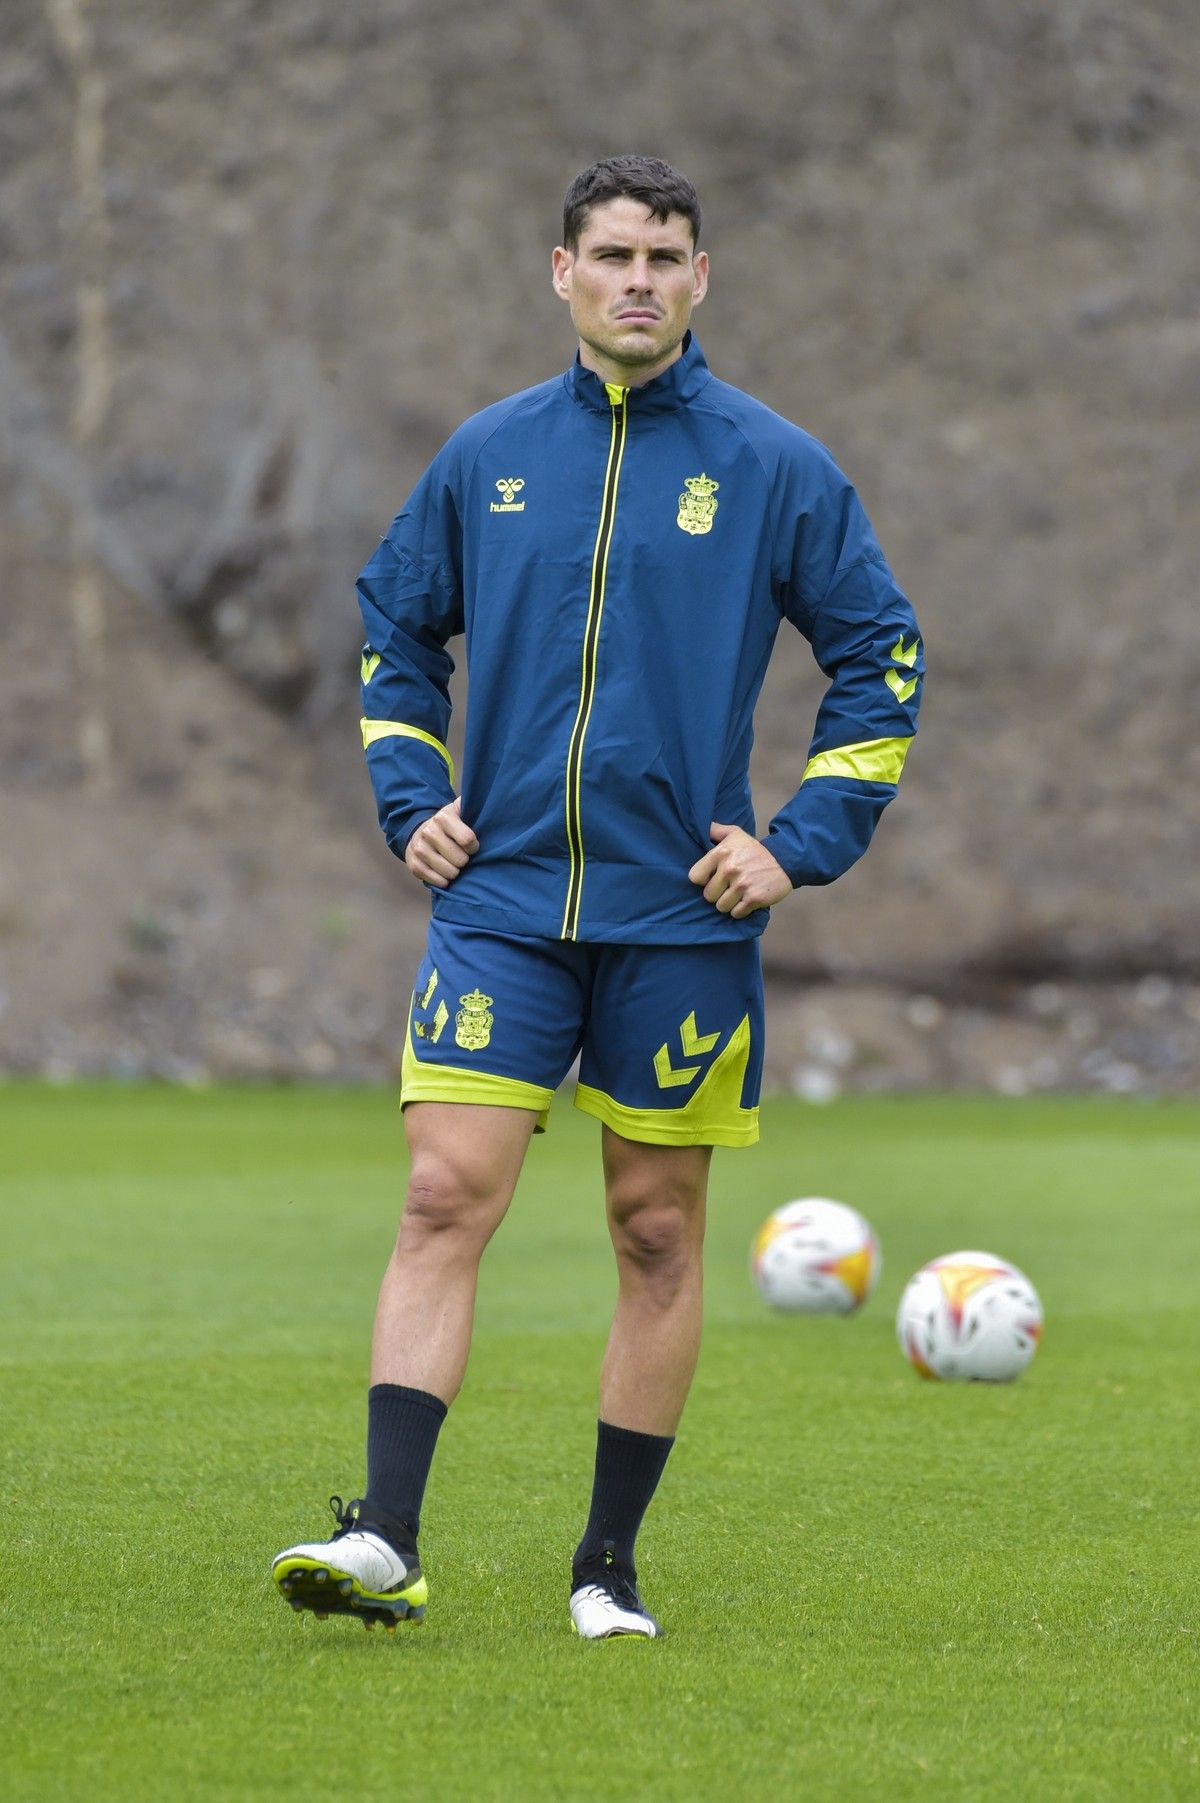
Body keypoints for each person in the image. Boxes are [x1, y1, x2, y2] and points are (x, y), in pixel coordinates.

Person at [271, 156, 923, 1640]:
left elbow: (882, 657)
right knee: (445, 1193)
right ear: (558, 271)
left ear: (703, 281)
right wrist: (406, 798)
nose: (641, 278)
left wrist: (801, 840)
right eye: (615, 253)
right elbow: (392, 629)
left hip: (683, 913)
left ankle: (604, 1568)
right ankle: (383, 1536)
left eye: (668, 256)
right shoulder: (487, 454)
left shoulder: (774, 468)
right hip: (498, 899)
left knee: (654, 1233)